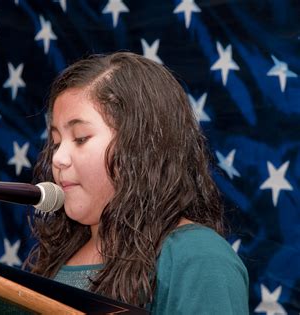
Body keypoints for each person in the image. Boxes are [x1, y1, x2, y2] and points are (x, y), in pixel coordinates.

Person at [24, 52, 249, 313]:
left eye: (81, 138)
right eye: (56, 142)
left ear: (141, 146)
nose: (59, 158)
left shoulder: (198, 257)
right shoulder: (61, 254)